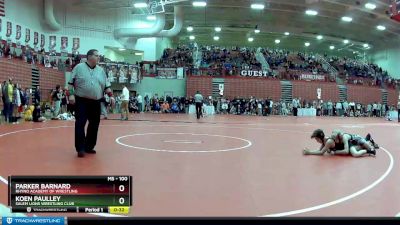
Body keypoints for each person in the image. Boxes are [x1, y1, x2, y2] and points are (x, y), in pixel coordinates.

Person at [68, 49, 115, 158]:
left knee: (94, 124)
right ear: (89, 56)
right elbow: (70, 83)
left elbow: (106, 86)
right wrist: (70, 94)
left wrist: (111, 96)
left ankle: (89, 146)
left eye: (99, 56)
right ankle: (80, 148)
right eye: (97, 55)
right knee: (80, 123)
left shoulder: (101, 71)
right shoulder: (78, 68)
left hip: (96, 101)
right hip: (81, 100)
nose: (99, 57)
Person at [304, 129, 377, 157]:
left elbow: (321, 152)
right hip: (348, 144)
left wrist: (309, 152)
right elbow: (320, 150)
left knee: (356, 153)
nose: (316, 141)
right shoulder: (325, 141)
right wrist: (310, 151)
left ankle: (369, 148)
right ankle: (367, 140)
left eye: (316, 139)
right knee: (359, 148)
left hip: (354, 139)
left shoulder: (330, 141)